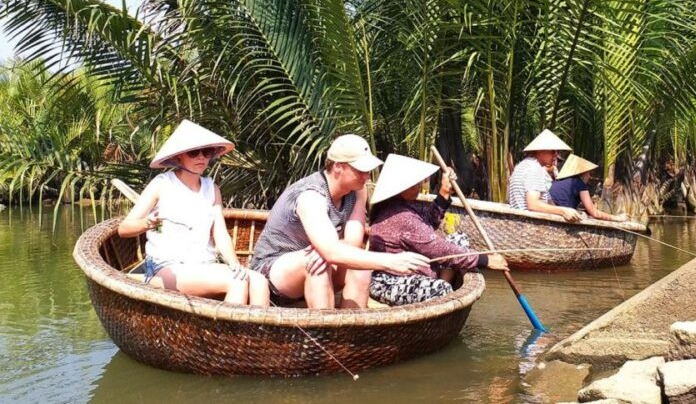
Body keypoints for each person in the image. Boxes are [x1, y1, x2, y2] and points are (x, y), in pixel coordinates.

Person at [249, 135, 430, 309]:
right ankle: (325, 334)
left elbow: (353, 242)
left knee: (359, 267)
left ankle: (351, 332)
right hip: (274, 272)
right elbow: (331, 252)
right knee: (318, 262)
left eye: (367, 171)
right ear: (338, 167)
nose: (367, 177)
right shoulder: (311, 196)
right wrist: (391, 261)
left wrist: (329, 249)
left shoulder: (358, 191)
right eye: (360, 171)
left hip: (320, 261)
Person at [118, 120, 269, 306]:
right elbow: (124, 229)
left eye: (206, 152)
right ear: (179, 156)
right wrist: (147, 223)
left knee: (259, 282)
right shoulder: (162, 184)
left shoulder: (212, 189)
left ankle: (253, 334)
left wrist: (234, 263)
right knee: (237, 282)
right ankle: (225, 335)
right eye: (193, 153)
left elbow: (220, 233)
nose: (201, 158)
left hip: (204, 264)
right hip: (165, 265)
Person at [368, 154, 509, 306]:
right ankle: (441, 293)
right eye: (414, 183)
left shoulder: (403, 206)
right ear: (401, 188)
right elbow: (441, 251)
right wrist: (485, 260)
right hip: (389, 281)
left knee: (459, 238)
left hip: (415, 270)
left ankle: (442, 283)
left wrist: (444, 191)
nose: (419, 184)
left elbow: (426, 224)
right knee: (441, 290)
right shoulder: (399, 215)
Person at [507, 129, 581, 221]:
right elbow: (533, 204)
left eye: (557, 151)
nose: (556, 155)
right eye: (553, 151)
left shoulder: (527, 165)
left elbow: (549, 202)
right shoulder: (533, 168)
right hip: (528, 225)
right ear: (540, 151)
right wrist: (563, 211)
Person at [549, 154, 629, 222]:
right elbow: (594, 213)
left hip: (550, 209)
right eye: (589, 174)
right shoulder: (580, 184)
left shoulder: (558, 181)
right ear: (583, 174)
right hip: (558, 212)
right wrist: (617, 218)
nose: (590, 177)